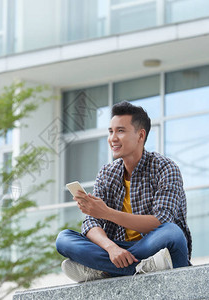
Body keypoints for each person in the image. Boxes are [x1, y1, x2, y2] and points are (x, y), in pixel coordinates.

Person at [55, 101, 192, 282]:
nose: (113, 138)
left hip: (159, 248)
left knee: (172, 232)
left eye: (120, 131)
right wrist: (112, 248)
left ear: (140, 135)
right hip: (120, 250)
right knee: (64, 239)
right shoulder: (107, 173)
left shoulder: (165, 168)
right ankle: (142, 267)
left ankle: (104, 270)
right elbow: (90, 224)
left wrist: (107, 213)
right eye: (111, 132)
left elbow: (161, 222)